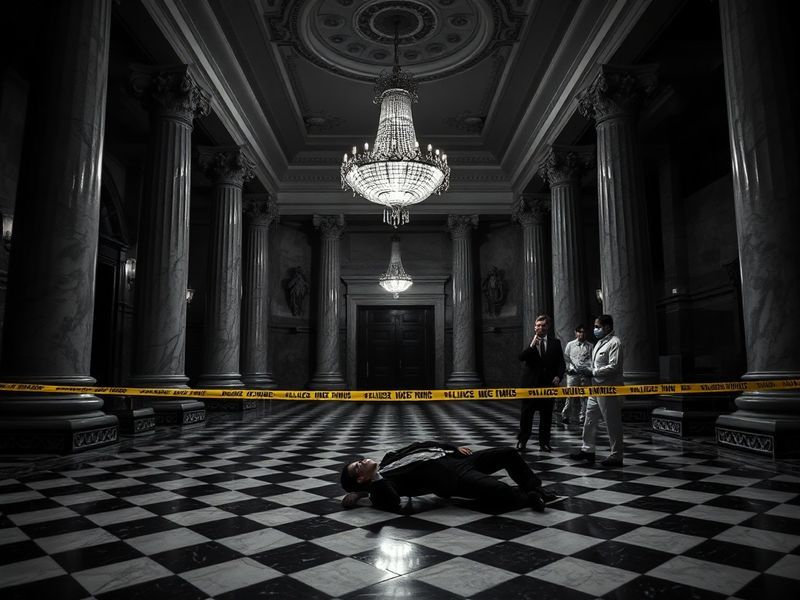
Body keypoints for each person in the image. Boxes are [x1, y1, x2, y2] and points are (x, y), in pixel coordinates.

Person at [339, 440, 557, 514]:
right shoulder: (385, 485)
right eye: (357, 466)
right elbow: (391, 501)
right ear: (361, 478)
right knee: (497, 489)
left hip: (456, 459)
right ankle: (529, 497)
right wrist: (364, 491)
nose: (361, 460)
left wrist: (452, 447)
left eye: (358, 461)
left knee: (508, 453)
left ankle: (535, 486)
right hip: (454, 477)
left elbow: (420, 446)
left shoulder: (388, 459)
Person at [570, 314, 625, 467]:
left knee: (612, 422)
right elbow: (596, 365)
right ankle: (587, 450)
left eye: (597, 327)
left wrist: (592, 372)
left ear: (607, 327)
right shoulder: (599, 342)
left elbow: (614, 367)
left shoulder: (615, 343)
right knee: (589, 419)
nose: (595, 329)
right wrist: (584, 369)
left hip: (609, 389)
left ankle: (616, 455)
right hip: (595, 388)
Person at [517, 314, 566, 452]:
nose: (540, 328)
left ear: (548, 327)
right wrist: (533, 344)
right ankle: (522, 441)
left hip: (547, 385)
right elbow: (522, 357)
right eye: (538, 325)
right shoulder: (530, 341)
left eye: (543, 325)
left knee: (546, 416)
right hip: (530, 385)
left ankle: (544, 442)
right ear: (534, 327)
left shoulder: (555, 343)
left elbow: (561, 363)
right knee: (526, 416)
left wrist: (559, 376)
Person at [561, 324, 594, 424]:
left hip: (585, 374)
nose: (581, 334)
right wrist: (568, 369)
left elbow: (592, 359)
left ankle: (582, 417)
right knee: (569, 396)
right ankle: (565, 415)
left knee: (584, 397)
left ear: (586, 333)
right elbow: (566, 358)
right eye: (579, 332)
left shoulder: (590, 345)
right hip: (573, 374)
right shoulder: (570, 345)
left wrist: (589, 370)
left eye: (583, 332)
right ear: (576, 333)